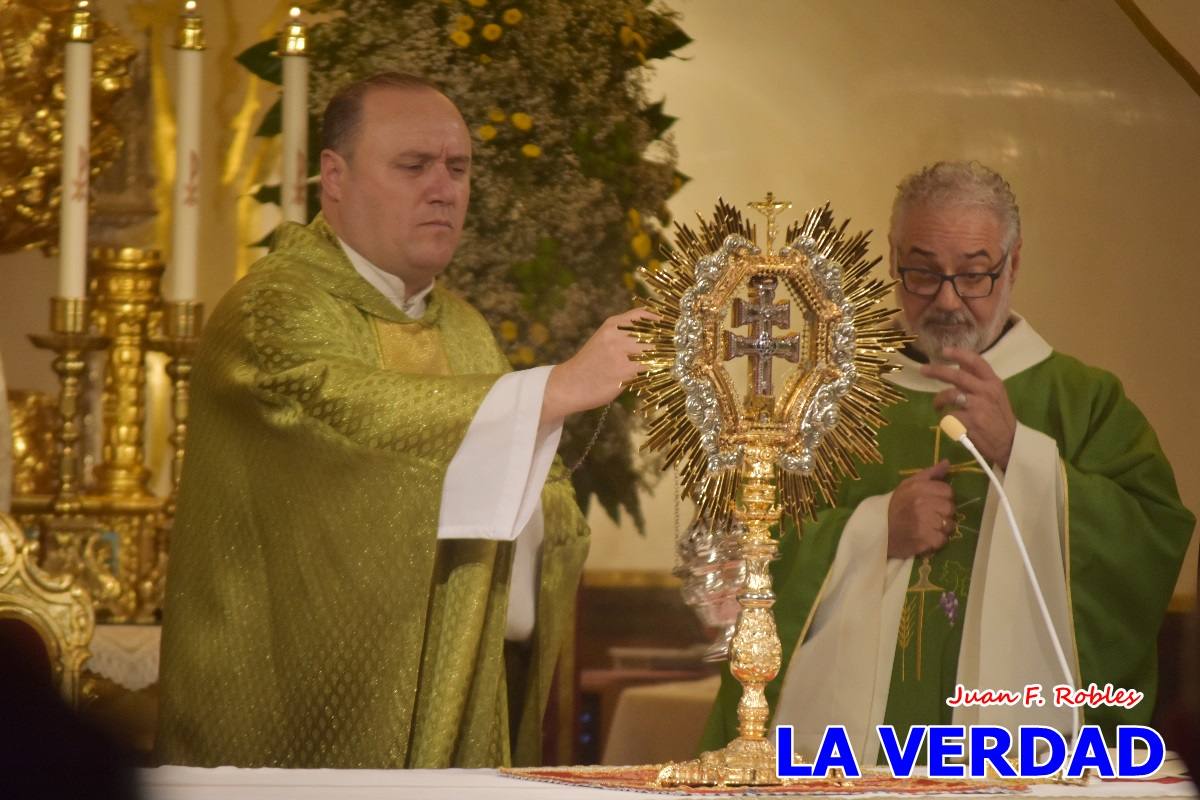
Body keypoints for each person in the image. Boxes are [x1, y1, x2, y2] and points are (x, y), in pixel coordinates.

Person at [156, 72, 650, 769]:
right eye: (413, 166)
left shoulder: (463, 327)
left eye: (458, 168)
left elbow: (537, 508)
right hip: (285, 725)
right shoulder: (271, 313)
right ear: (335, 176)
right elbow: (354, 420)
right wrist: (555, 390)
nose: (443, 188)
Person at [700, 161, 1195, 763]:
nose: (947, 299)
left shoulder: (1084, 401)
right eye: (923, 273)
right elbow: (753, 556)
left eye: (974, 274)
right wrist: (873, 529)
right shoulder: (827, 397)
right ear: (891, 259)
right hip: (852, 760)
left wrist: (1021, 452)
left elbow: (1147, 545)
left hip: (1019, 757)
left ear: (1012, 265)